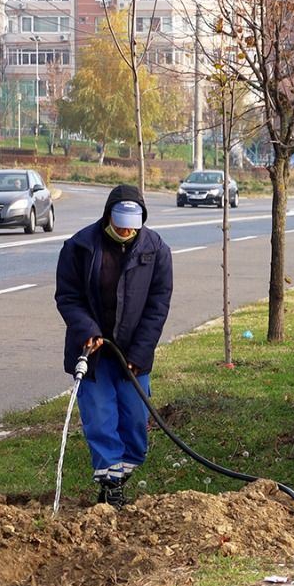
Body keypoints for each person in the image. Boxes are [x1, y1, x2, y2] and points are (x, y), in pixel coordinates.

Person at [55, 184, 174, 507]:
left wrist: (140, 351)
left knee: (135, 422)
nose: (124, 230)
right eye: (119, 222)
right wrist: (87, 330)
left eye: (131, 226)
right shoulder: (80, 247)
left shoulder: (156, 250)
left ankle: (120, 474)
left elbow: (157, 305)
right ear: (107, 215)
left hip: (132, 353)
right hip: (93, 352)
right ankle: (111, 485)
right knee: (100, 418)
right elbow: (68, 297)